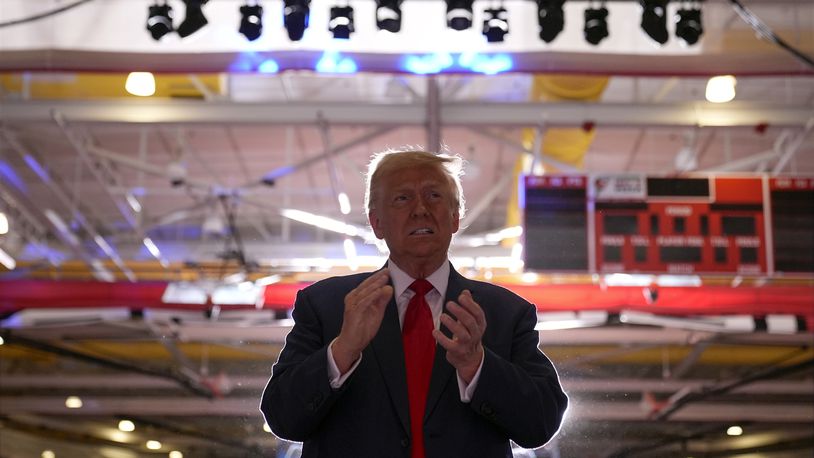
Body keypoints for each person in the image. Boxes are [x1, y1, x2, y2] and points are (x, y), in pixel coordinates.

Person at [260, 149, 567, 458]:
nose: (421, 209)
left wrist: (478, 364)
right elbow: (282, 418)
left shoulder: (505, 313)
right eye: (402, 199)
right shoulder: (326, 305)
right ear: (376, 223)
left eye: (434, 195)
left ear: (455, 216)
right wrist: (343, 350)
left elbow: (541, 424)